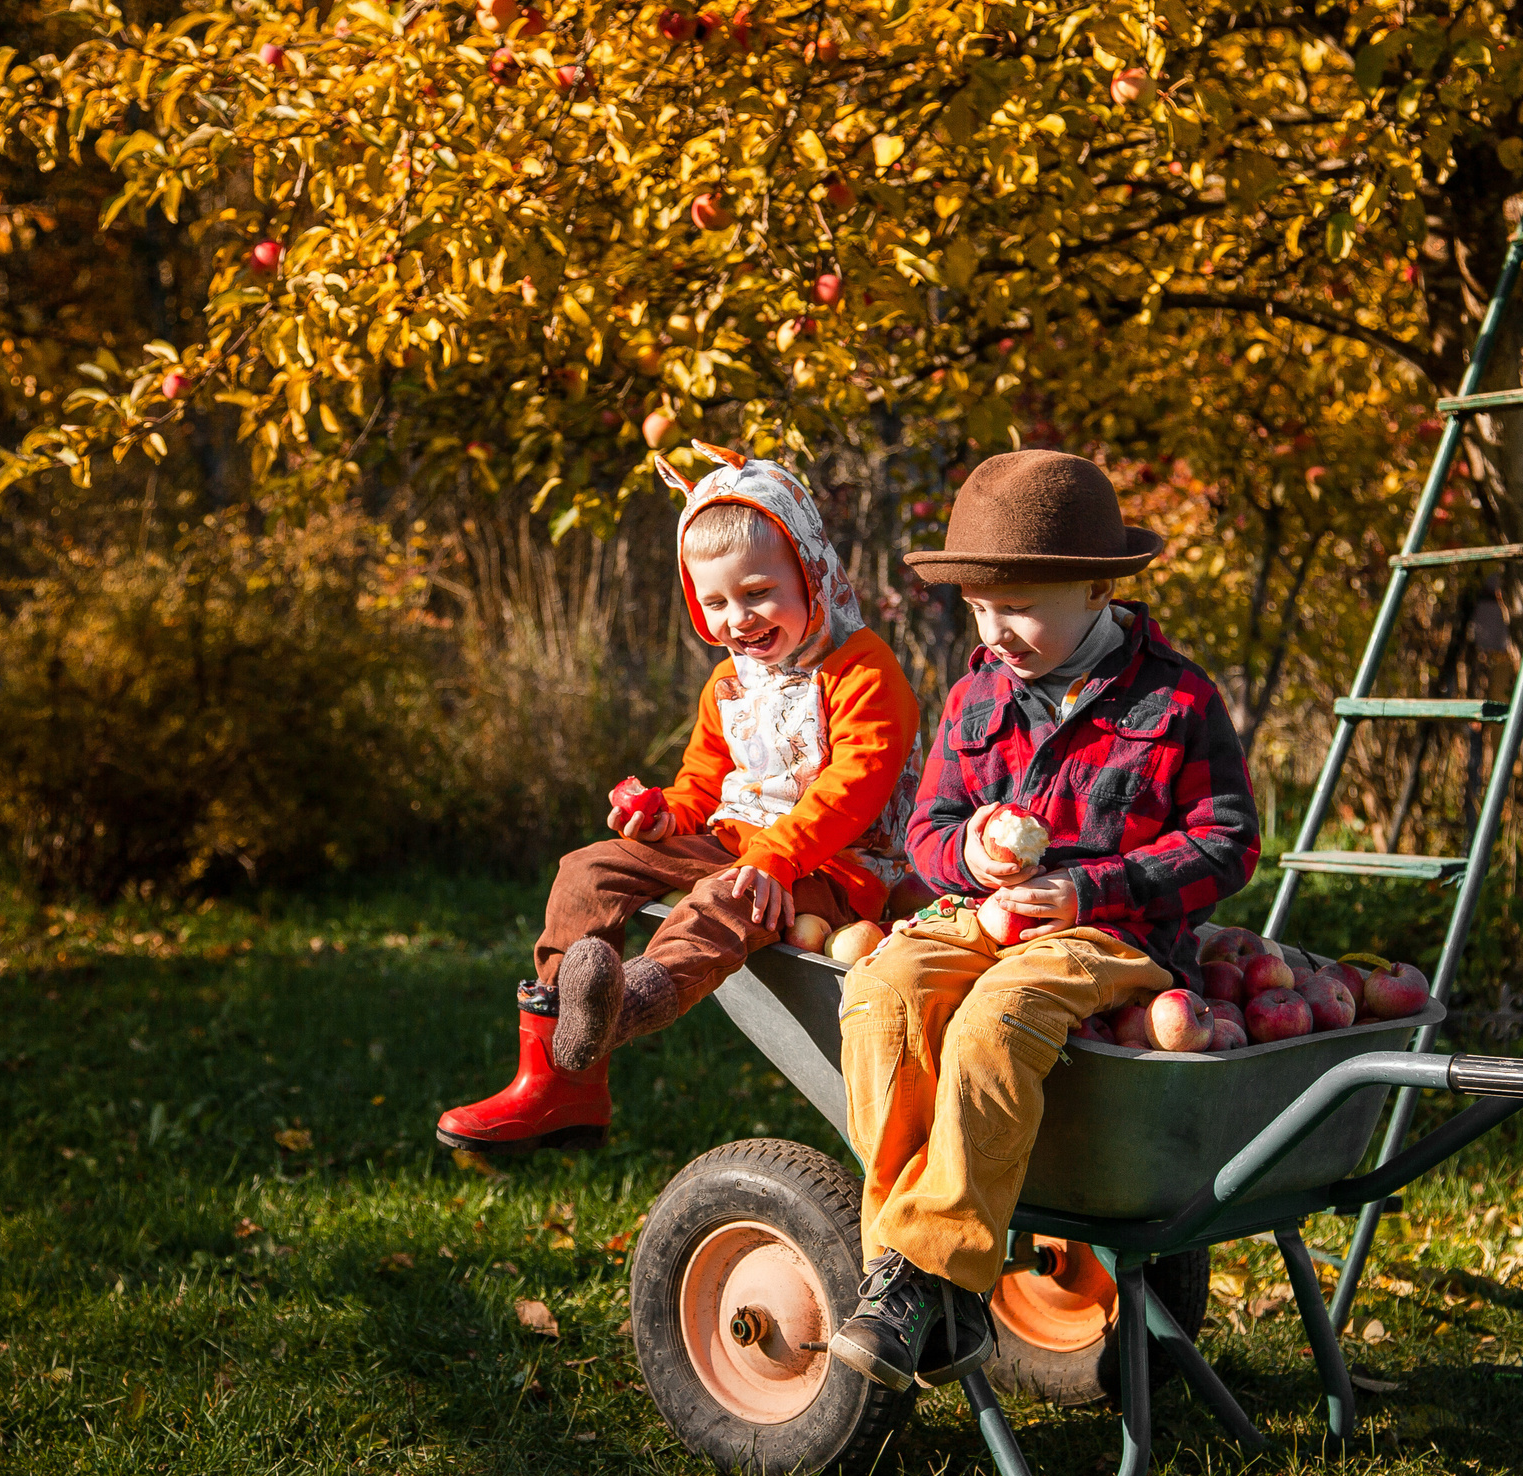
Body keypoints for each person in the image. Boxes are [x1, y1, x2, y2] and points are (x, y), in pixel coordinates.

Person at [828, 449, 1259, 1390]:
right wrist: (972, 848)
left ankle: (921, 1280)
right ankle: (924, 1281)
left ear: (1098, 585)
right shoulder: (976, 694)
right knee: (882, 991)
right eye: (980, 610)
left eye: (1018, 606)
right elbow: (925, 833)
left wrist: (1089, 889)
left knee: (998, 1015)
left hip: (1110, 937)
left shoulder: (1178, 701)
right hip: (981, 919)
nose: (996, 632)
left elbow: (1227, 843)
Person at [438, 444, 921, 1159]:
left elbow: (855, 786)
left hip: (832, 868)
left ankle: (629, 1001)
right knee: (590, 868)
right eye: (716, 601)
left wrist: (776, 857)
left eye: (758, 592)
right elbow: (705, 780)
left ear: (812, 573)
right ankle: (562, 1075)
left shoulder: (862, 670)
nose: (738, 619)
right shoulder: (731, 683)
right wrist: (664, 814)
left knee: (722, 902)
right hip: (737, 842)